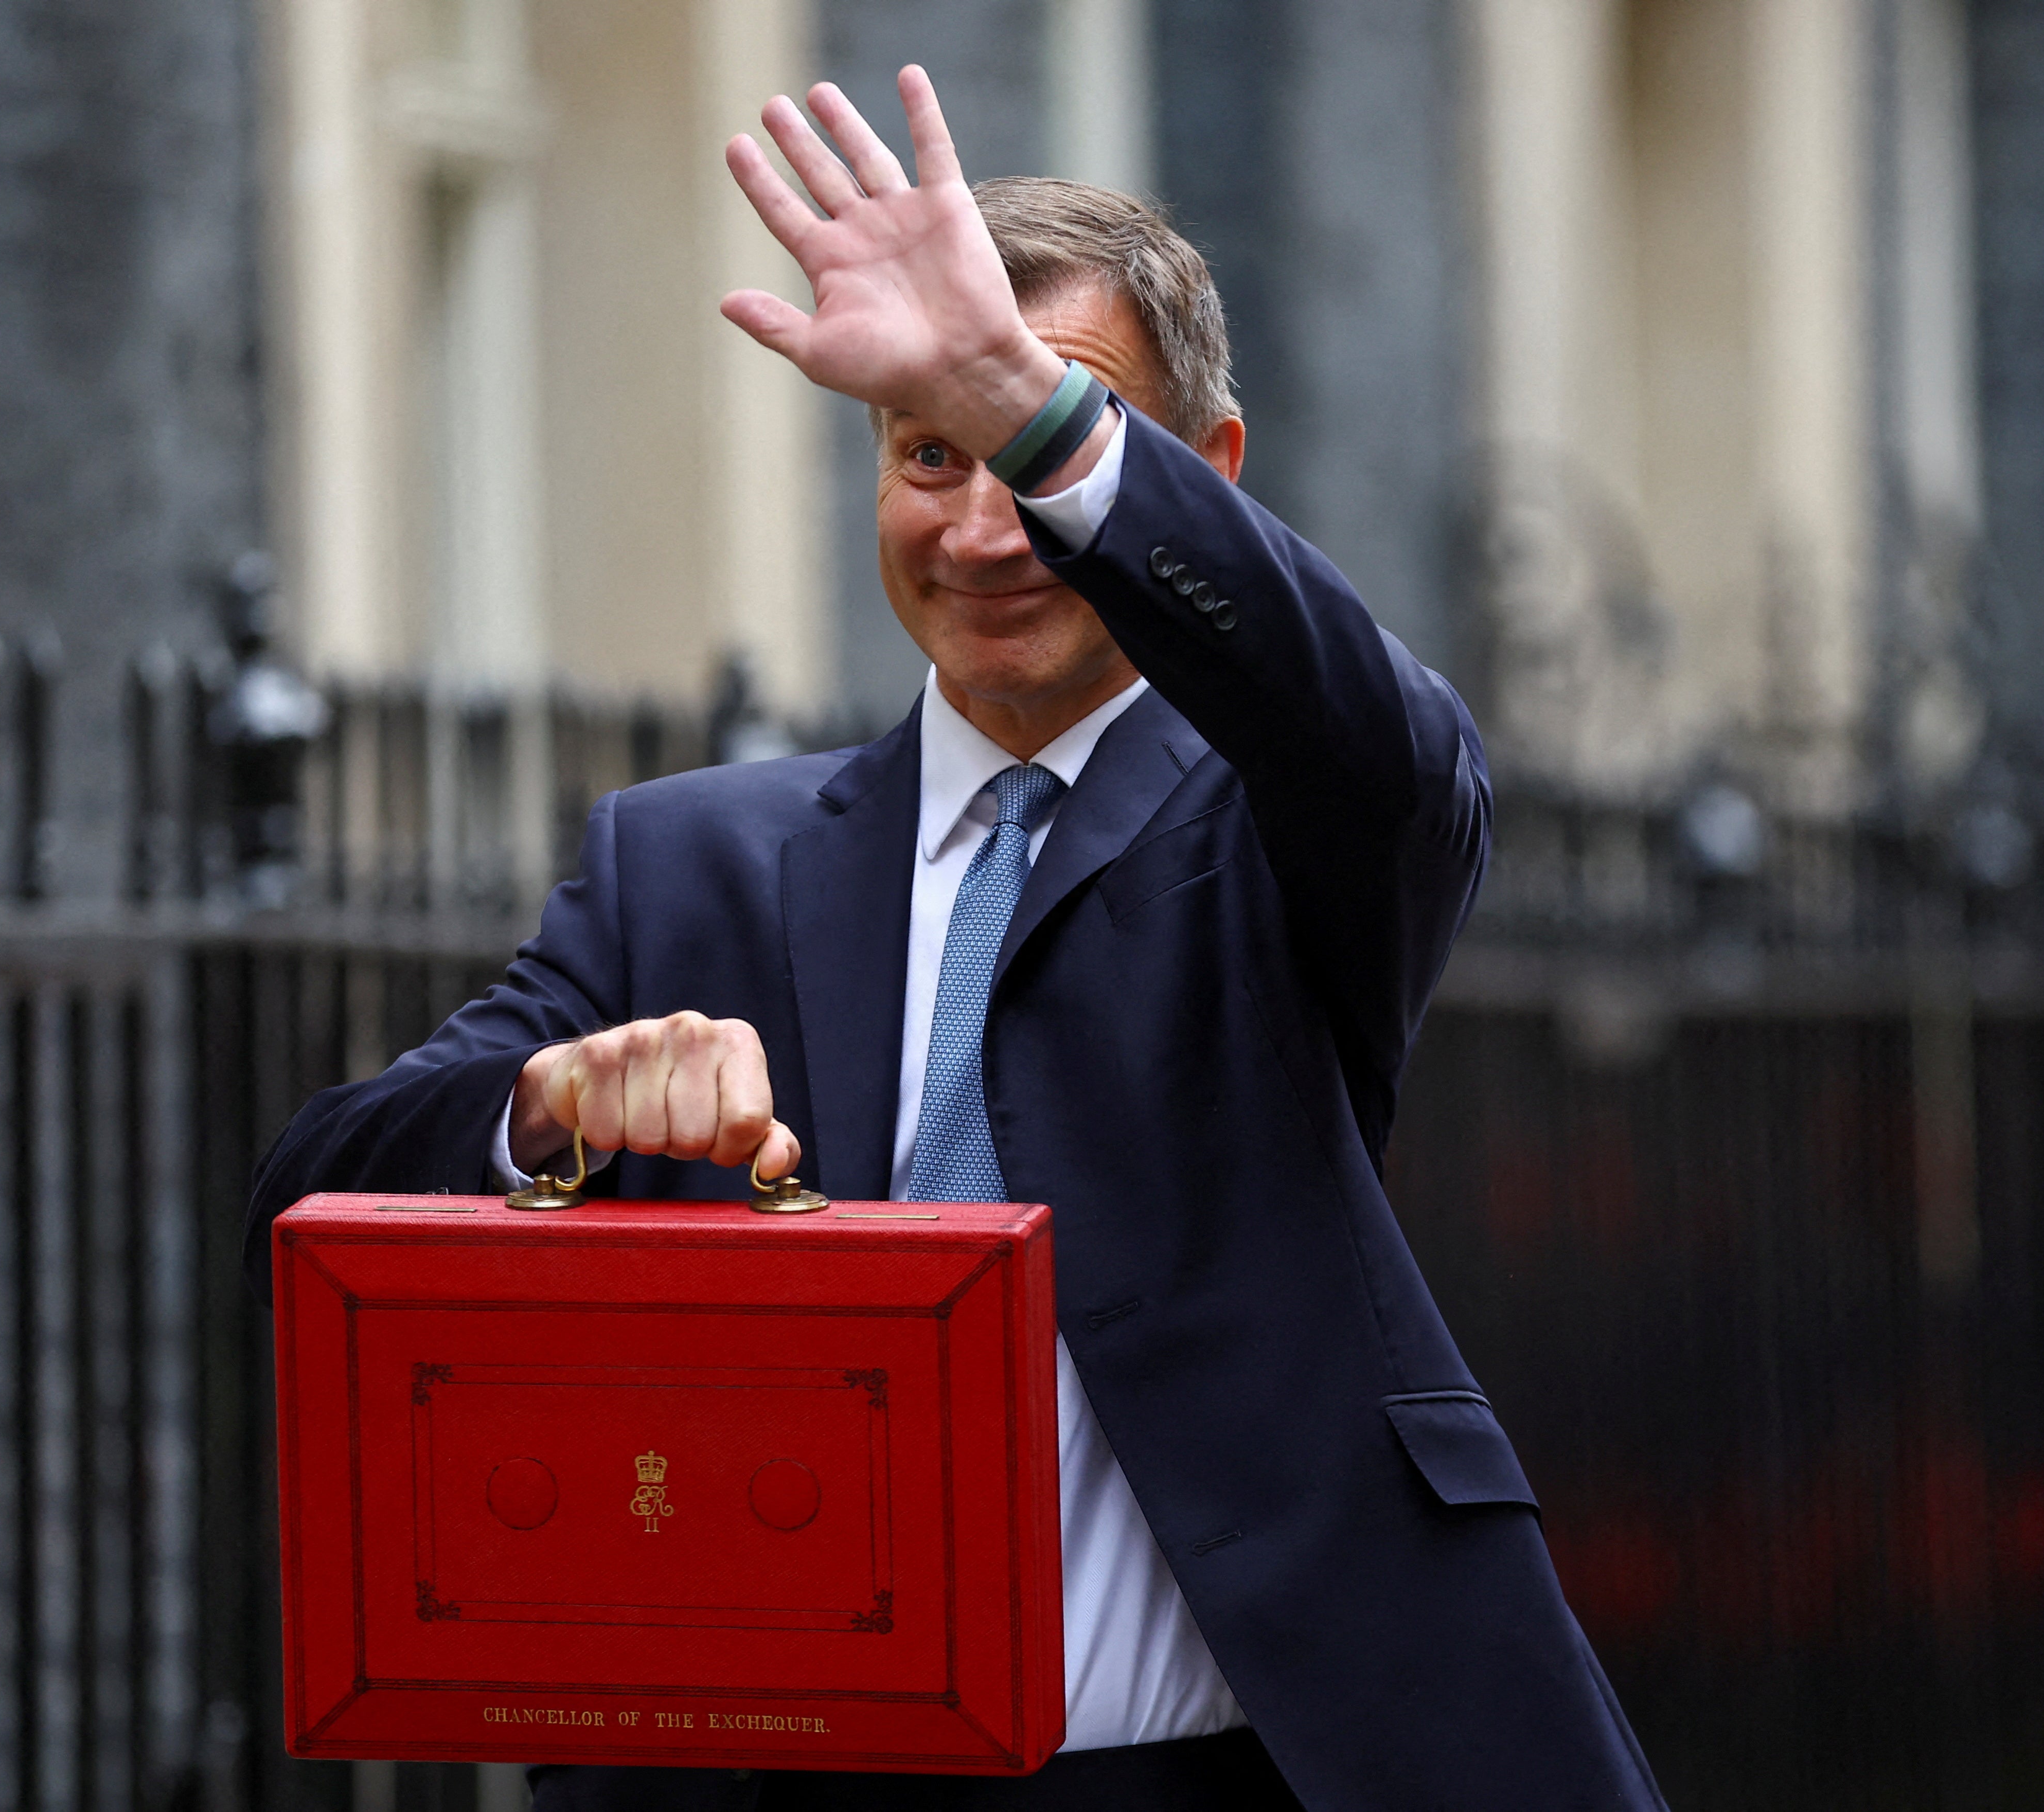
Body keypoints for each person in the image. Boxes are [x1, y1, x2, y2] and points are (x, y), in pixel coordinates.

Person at [246, 66, 1663, 1812]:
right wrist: (551, 1106)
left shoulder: (1293, 819)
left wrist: (1021, 401)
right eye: (931, 454)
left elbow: (1377, 733)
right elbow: (306, 1203)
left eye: (1036, 450)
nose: (984, 523)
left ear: (1195, 469)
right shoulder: (688, 857)